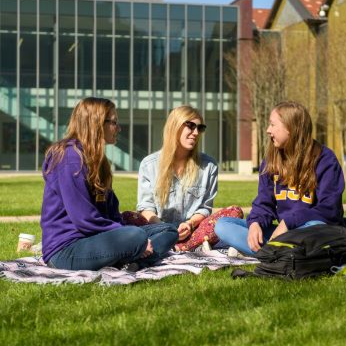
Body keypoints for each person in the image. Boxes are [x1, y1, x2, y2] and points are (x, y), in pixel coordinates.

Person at [40, 97, 178, 271]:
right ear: (96, 123)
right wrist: (130, 236)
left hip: (99, 238)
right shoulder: (70, 159)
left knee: (168, 231)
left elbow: (111, 211)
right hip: (66, 249)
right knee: (135, 236)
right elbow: (84, 219)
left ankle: (135, 261)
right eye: (114, 122)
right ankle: (134, 252)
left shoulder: (97, 159)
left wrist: (128, 233)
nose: (119, 128)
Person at [215, 101, 345, 255]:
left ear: (291, 128)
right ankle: (280, 253)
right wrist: (255, 223)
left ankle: (270, 253)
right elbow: (264, 203)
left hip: (312, 230)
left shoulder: (325, 159)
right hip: (281, 234)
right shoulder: (270, 161)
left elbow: (329, 209)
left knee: (315, 226)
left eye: (272, 124)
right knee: (223, 225)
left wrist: (288, 223)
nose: (268, 130)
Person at [130, 105, 243, 251]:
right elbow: (146, 208)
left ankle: (177, 246)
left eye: (200, 128)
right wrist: (166, 229)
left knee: (234, 212)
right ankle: (184, 245)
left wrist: (189, 224)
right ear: (174, 126)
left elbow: (204, 209)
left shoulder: (209, 166)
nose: (195, 133)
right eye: (190, 126)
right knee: (128, 218)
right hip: (158, 230)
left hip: (193, 231)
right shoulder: (149, 164)